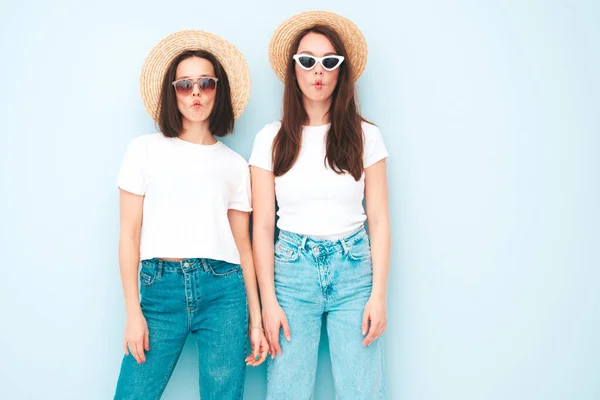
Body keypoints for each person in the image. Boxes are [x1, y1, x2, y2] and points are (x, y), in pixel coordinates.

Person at [114, 30, 268, 400]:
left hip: (223, 291)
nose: (196, 92)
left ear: (218, 90)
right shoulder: (144, 150)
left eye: (205, 83)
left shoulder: (234, 165)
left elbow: (244, 247)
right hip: (159, 289)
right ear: (173, 91)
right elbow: (129, 236)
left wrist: (257, 320)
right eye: (185, 84)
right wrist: (133, 313)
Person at [249, 11, 391, 399]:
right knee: (287, 392)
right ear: (293, 69)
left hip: (354, 270)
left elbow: (378, 219)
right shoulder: (270, 139)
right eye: (307, 60)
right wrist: (268, 303)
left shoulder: (367, 136)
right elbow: (262, 226)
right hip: (292, 274)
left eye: (330, 62)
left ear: (341, 71)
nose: (318, 71)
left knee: (363, 391)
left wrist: (378, 295)